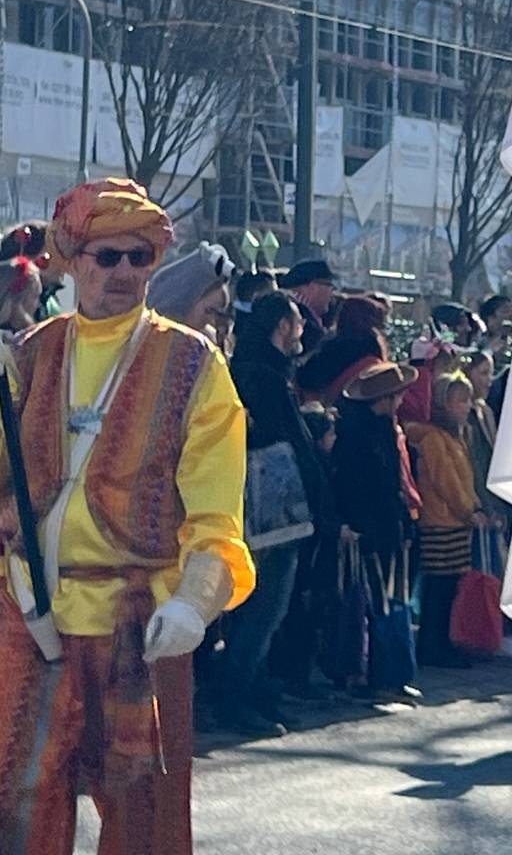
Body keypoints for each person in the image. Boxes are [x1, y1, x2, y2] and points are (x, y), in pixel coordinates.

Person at [0, 177, 253, 855]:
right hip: (32, 617)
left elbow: (218, 517)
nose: (125, 272)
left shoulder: (194, 363)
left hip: (141, 623)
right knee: (6, 807)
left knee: (146, 817)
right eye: (107, 257)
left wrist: (194, 604)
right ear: (70, 260)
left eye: (141, 257)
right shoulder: (32, 351)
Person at [218, 292, 331, 735]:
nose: (303, 331)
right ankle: (237, 696)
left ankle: (254, 691)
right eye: (297, 323)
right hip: (270, 512)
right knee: (264, 608)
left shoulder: (258, 368)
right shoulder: (262, 376)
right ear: (282, 327)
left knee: (265, 609)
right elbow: (283, 443)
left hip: (271, 510)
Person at [332, 356, 423, 698]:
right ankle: (373, 675)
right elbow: (356, 488)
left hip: (389, 530)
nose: (400, 402)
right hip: (367, 534)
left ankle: (394, 675)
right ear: (381, 401)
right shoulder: (357, 438)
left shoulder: (384, 432)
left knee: (393, 604)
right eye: (396, 396)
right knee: (374, 607)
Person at [408, 371, 484, 669]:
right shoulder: (433, 438)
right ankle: (432, 645)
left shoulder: (456, 436)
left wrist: (475, 504)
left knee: (449, 586)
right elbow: (446, 482)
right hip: (441, 520)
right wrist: (468, 509)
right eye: (460, 400)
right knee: (439, 588)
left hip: (455, 520)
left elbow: (464, 478)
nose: (467, 405)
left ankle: (442, 642)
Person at [147, 241, 237, 346]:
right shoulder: (143, 345)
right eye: (208, 311)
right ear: (182, 299)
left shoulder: (206, 349)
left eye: (217, 315)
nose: (212, 322)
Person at [280, 258, 340, 352]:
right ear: (313, 286)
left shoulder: (310, 317)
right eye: (329, 285)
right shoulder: (290, 315)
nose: (332, 292)